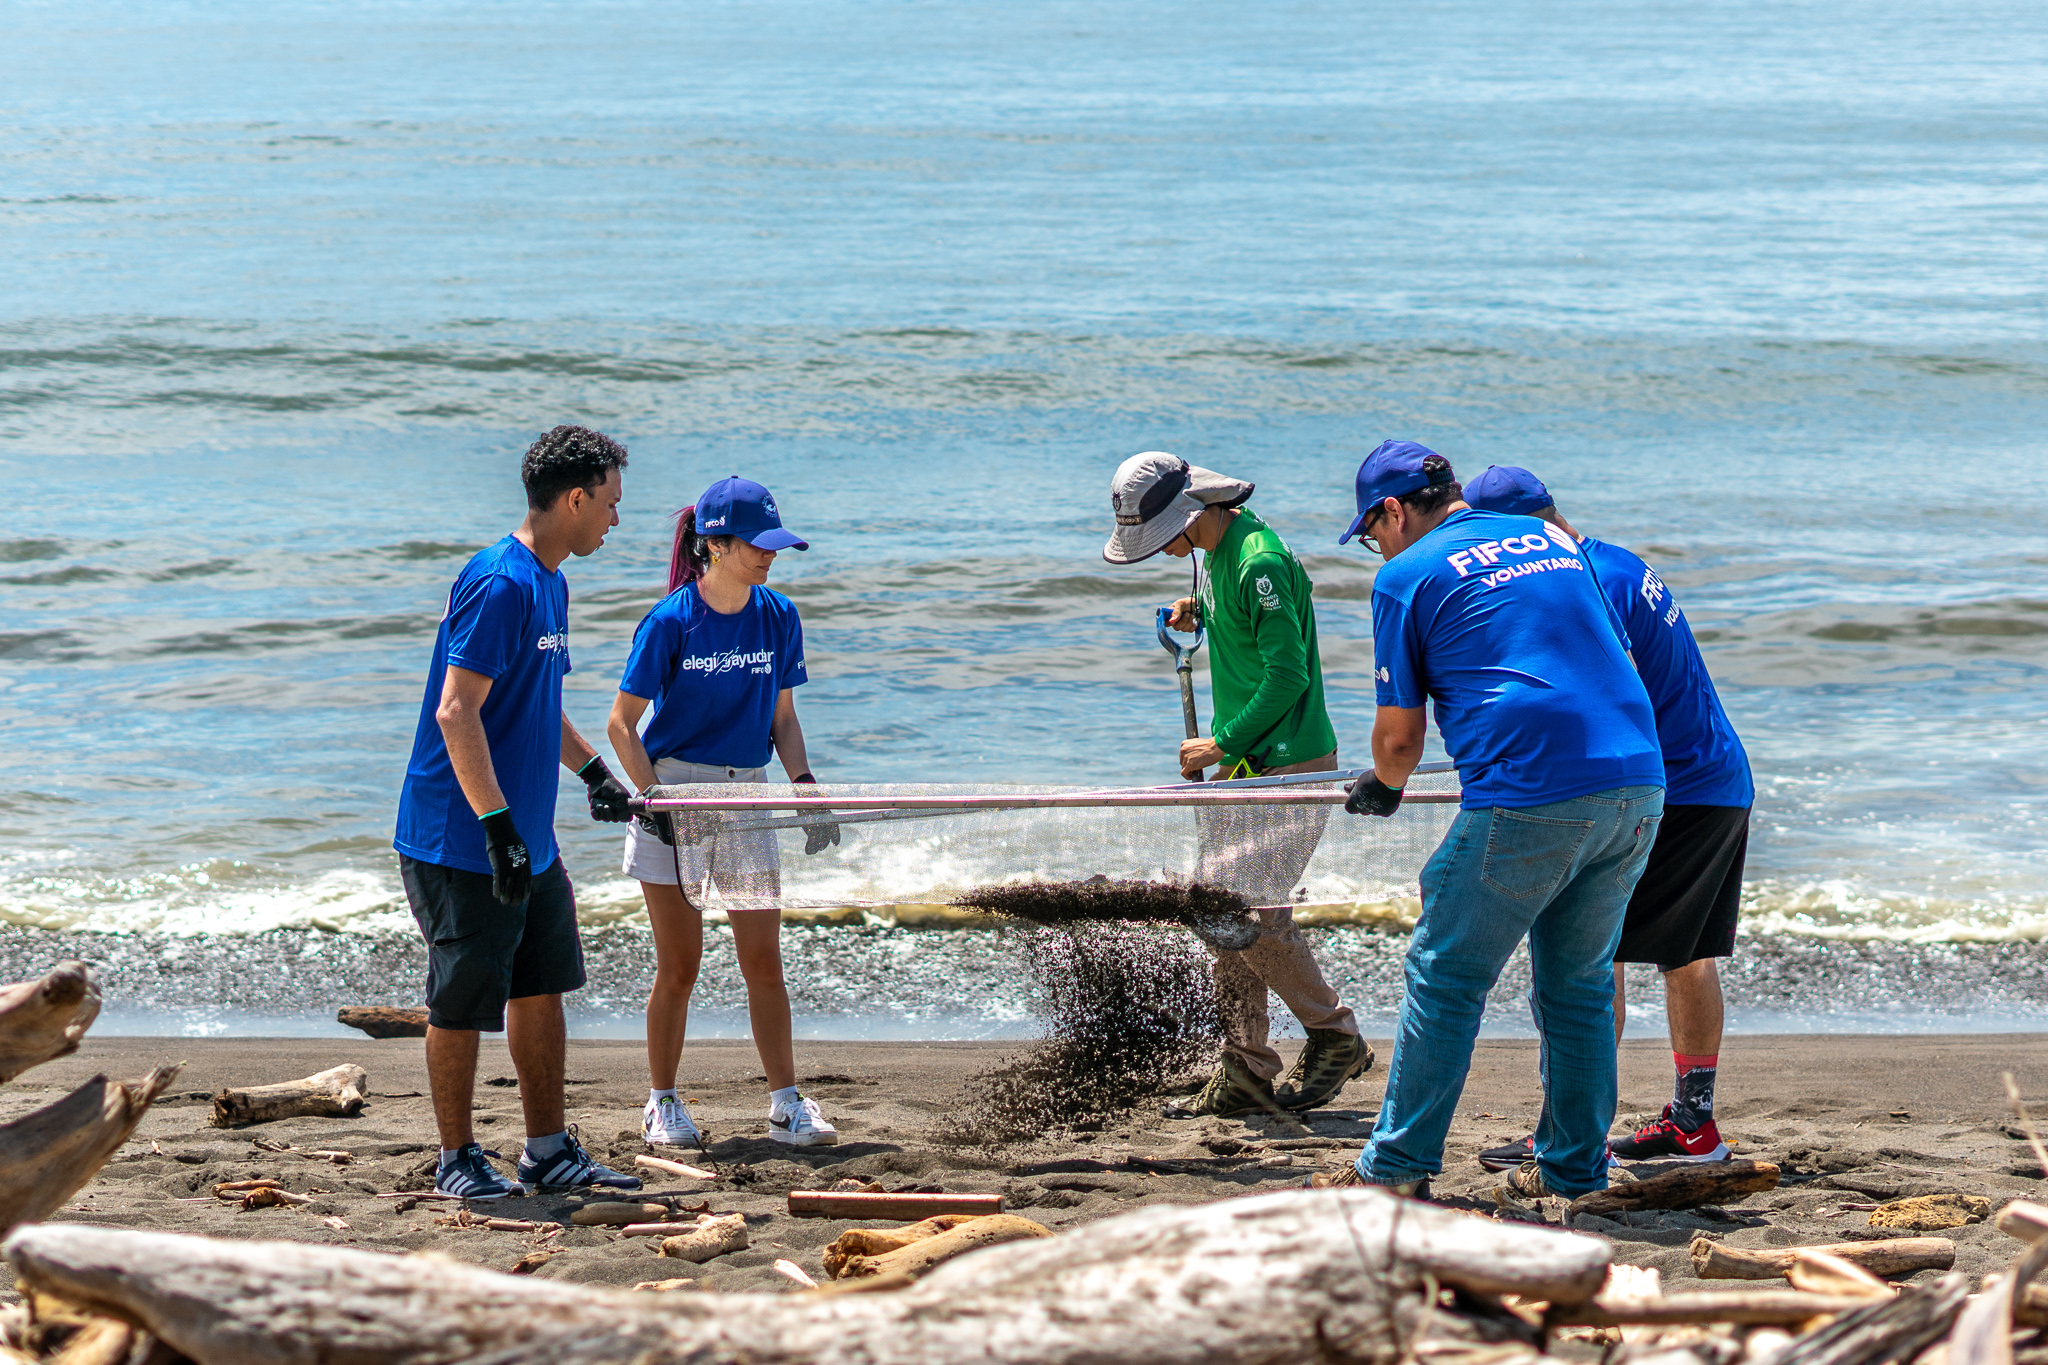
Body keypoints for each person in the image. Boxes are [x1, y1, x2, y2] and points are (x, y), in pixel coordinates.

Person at [1323, 440, 1665, 1202]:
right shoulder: (1550, 539)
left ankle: (1395, 1169)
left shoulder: (1404, 577)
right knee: (1577, 987)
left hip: (1532, 791)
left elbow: (1399, 743)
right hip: (1639, 782)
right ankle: (1573, 1169)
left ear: (1392, 510)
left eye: (1372, 532)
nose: (1377, 548)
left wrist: (1383, 786)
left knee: (1444, 974)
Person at [1465, 465, 1752, 1166]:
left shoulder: (1584, 580)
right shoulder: (1617, 561)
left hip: (1672, 785)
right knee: (1685, 955)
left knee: (1590, 956)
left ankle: (1574, 1134)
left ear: (1519, 530)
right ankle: (1693, 1125)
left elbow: (1603, 693)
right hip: (1716, 777)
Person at [394, 425, 644, 1200]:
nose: (615, 518)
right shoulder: (500, 582)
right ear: (574, 500)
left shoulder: (551, 582)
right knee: (461, 1001)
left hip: (527, 838)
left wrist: (595, 772)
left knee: (541, 984)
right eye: (609, 502)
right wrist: (497, 828)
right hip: (461, 838)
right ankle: (456, 1157)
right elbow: (456, 711)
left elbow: (536, 703)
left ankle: (547, 1151)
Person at [1102, 450, 1372, 1118]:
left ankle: (1335, 1034)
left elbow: (1288, 676)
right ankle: (1247, 1065)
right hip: (1249, 763)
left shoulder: (1259, 562)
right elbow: (1246, 623)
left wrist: (1219, 743)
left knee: (1248, 912)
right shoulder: (1219, 552)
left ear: (1189, 511)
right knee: (1217, 910)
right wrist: (1199, 609)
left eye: (1159, 536)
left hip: (1289, 761)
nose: (1159, 550)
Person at [607, 476, 841, 1150]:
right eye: (758, 543)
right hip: (675, 795)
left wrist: (805, 787)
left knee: (763, 961)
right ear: (715, 544)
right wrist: (654, 801)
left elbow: (783, 719)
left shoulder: (779, 615)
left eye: (776, 544)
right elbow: (622, 725)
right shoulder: (670, 621)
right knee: (680, 966)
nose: (771, 554)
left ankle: (786, 1104)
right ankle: (661, 1102)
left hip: (748, 797)